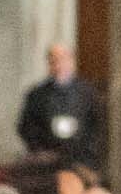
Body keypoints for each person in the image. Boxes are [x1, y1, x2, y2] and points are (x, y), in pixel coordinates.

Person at [17, 40, 106, 176]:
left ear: (72, 60)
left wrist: (88, 152)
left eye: (63, 59)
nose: (59, 65)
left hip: (82, 163)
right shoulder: (36, 95)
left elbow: (98, 126)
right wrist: (42, 151)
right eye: (54, 61)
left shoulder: (88, 93)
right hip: (48, 165)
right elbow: (26, 127)